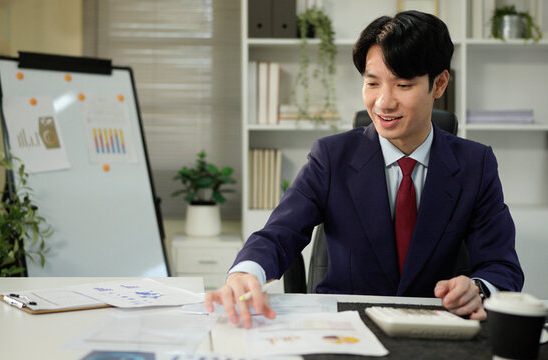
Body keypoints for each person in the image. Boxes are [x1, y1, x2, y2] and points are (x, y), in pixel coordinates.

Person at [205, 10, 523, 328]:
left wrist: (478, 289)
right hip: (344, 327)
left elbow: (501, 265)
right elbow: (279, 234)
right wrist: (246, 272)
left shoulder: (475, 164)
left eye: (403, 85)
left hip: (434, 327)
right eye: (372, 83)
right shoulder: (331, 157)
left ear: (438, 84)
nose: (383, 102)